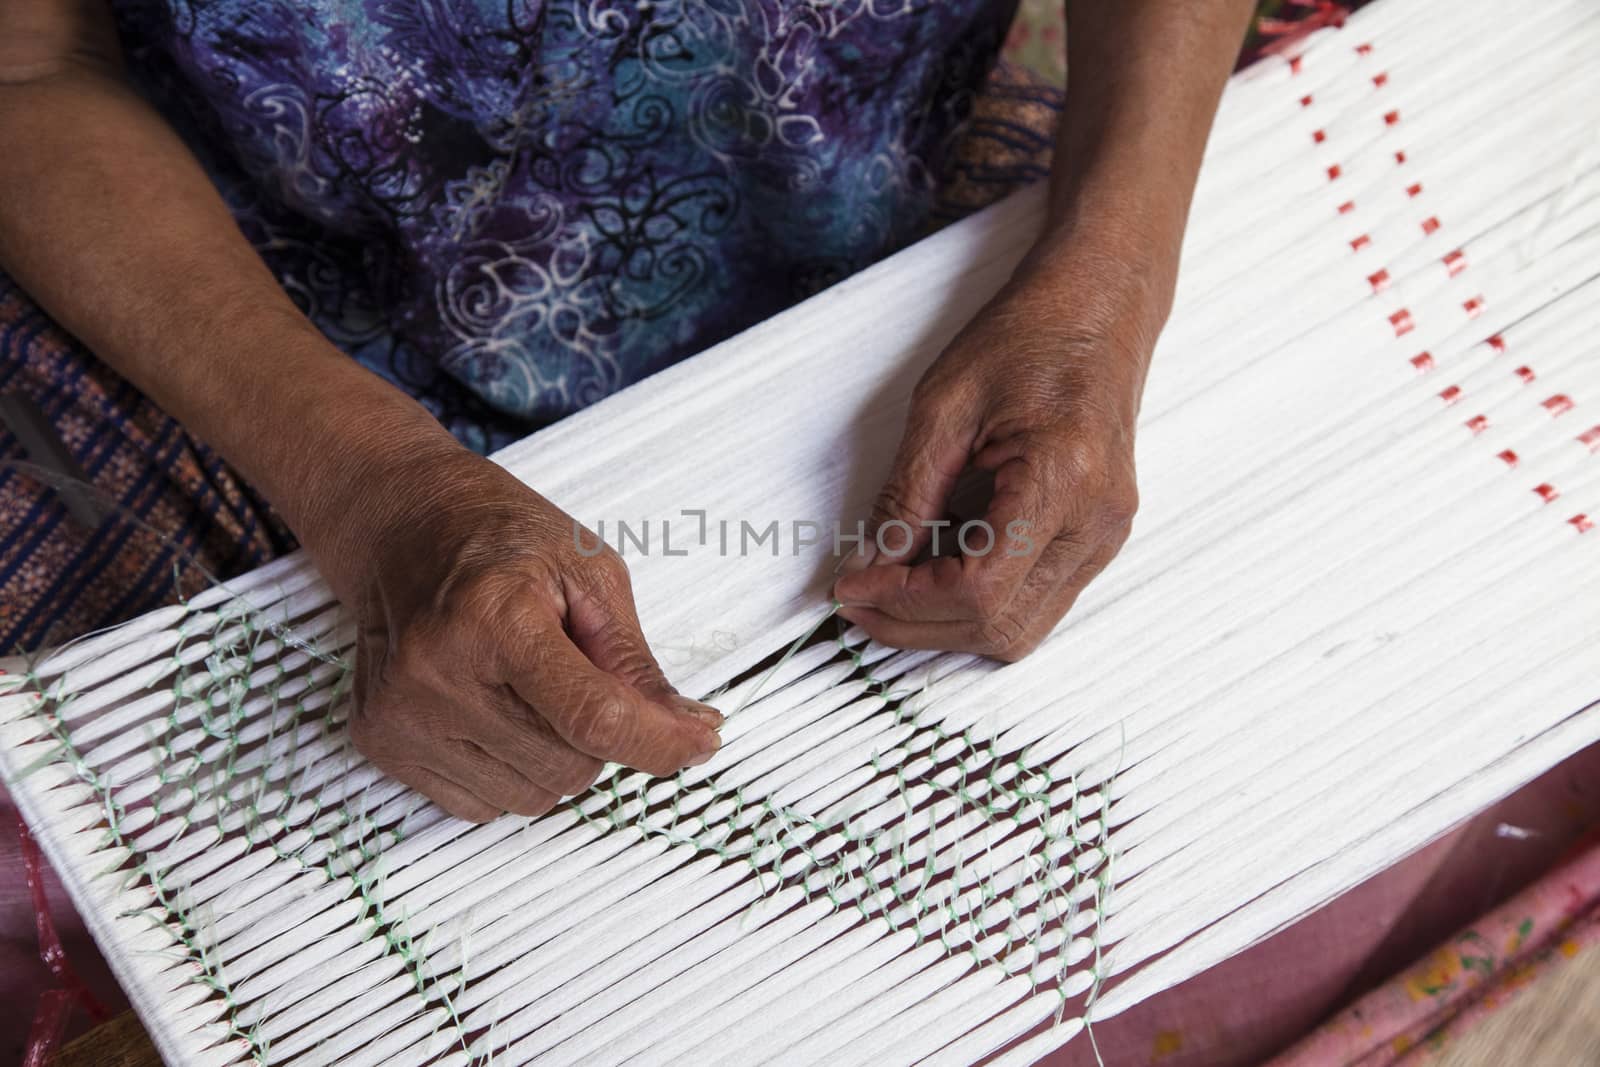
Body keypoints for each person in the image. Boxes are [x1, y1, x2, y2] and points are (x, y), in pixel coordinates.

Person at [0, 1, 1255, 822]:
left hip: (872, 206)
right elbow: (33, 63)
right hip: (258, 278)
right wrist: (367, 481)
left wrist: (1108, 278)